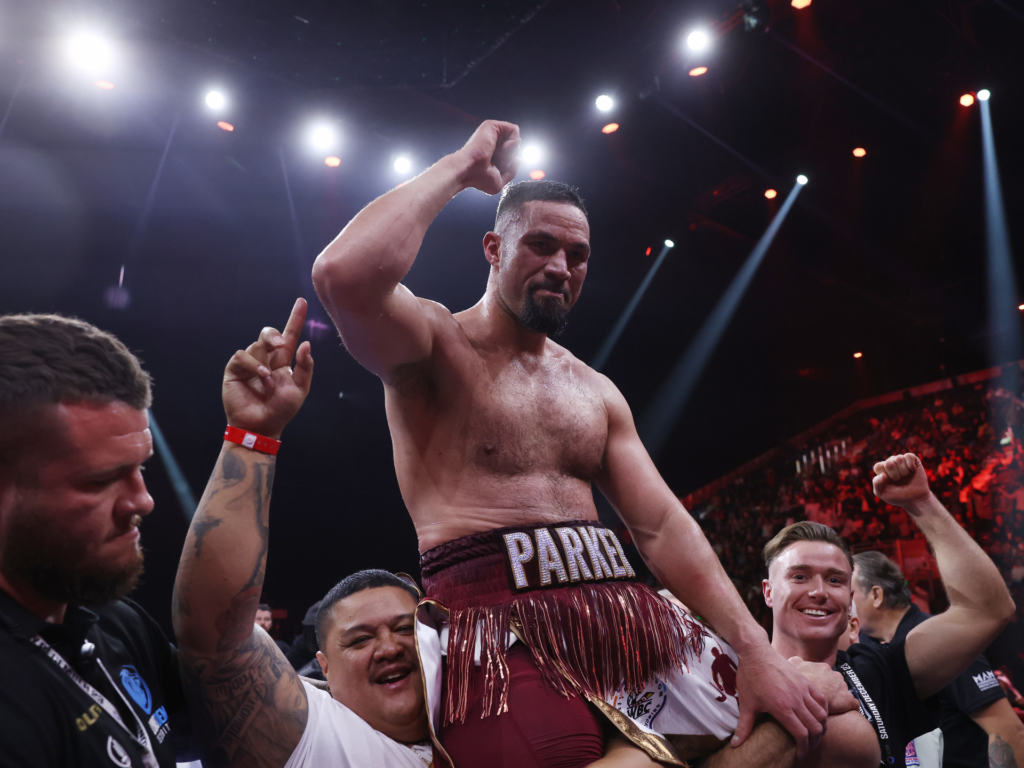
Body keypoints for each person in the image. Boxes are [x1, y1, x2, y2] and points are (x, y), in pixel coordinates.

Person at [311, 118, 828, 766]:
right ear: (494, 248)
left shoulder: (594, 388)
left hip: (625, 617)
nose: (560, 267)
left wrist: (754, 650)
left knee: (796, 716)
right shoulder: (434, 345)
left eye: (577, 255)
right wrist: (459, 168)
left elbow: (663, 525)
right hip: (498, 630)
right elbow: (343, 275)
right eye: (541, 245)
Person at [171, 298, 668, 768]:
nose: (389, 647)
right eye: (360, 639)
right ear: (324, 667)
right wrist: (251, 437)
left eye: (405, 628)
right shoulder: (322, 737)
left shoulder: (506, 705)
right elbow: (218, 641)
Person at [703, 453, 1016, 768]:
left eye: (835, 580)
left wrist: (922, 503)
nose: (819, 592)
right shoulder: (728, 680)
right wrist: (809, 699)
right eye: (800, 576)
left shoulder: (880, 671)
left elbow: (986, 610)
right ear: (769, 592)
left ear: (850, 597)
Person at [0, 313, 191, 767]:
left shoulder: (110, 617)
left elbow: (232, 715)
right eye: (100, 480)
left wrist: (252, 436)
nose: (142, 502)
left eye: (140, 467)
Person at [853, 550, 1024, 768]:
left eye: (849, 592)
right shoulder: (866, 647)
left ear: (876, 596)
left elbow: (1007, 731)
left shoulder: (942, 641)